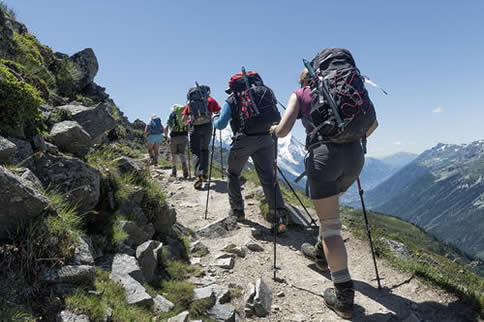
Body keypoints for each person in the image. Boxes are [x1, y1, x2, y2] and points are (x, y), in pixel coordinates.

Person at [270, 68, 378, 318]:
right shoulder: (348, 90)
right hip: (354, 157)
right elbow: (373, 124)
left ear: (304, 80)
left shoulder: (300, 94)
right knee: (327, 213)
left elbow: (284, 131)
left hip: (324, 159)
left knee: (330, 226)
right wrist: (348, 139)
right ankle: (321, 255)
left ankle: (343, 296)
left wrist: (273, 130)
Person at [213, 70, 288, 233]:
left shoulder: (232, 99)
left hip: (244, 140)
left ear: (233, 87)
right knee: (268, 177)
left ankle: (237, 211)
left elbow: (220, 125)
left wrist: (214, 119)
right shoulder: (264, 93)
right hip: (267, 138)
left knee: (233, 173)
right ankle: (279, 218)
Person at [182, 85, 221, 189]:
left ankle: (198, 175)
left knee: (195, 151)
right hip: (207, 127)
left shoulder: (190, 103)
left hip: (195, 128)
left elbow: (184, 119)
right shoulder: (210, 100)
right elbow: (218, 112)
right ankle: (204, 174)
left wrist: (189, 122)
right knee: (204, 149)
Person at [164, 104, 189, 178]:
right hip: (183, 136)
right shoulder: (184, 114)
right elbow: (188, 125)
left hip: (174, 137)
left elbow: (166, 128)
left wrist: (166, 136)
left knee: (173, 155)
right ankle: (185, 172)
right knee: (182, 153)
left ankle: (174, 172)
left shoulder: (171, 115)